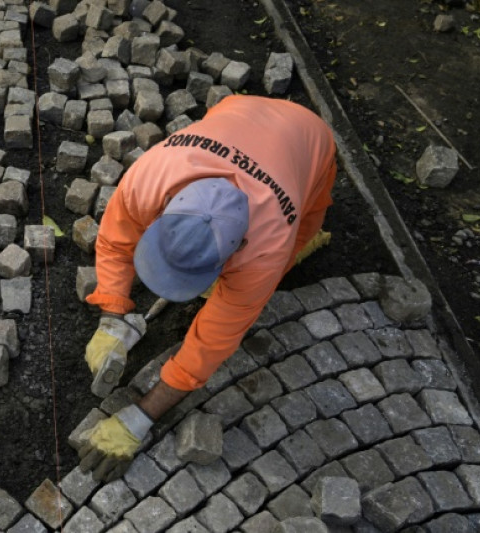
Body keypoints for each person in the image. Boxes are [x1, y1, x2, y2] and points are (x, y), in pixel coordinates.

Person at [79, 95, 337, 481]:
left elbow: (211, 343)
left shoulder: (265, 249)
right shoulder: (152, 175)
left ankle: (279, 254)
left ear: (235, 252)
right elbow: (116, 240)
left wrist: (142, 415)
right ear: (164, 210)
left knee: (301, 231)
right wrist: (112, 314)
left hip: (309, 138)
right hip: (237, 110)